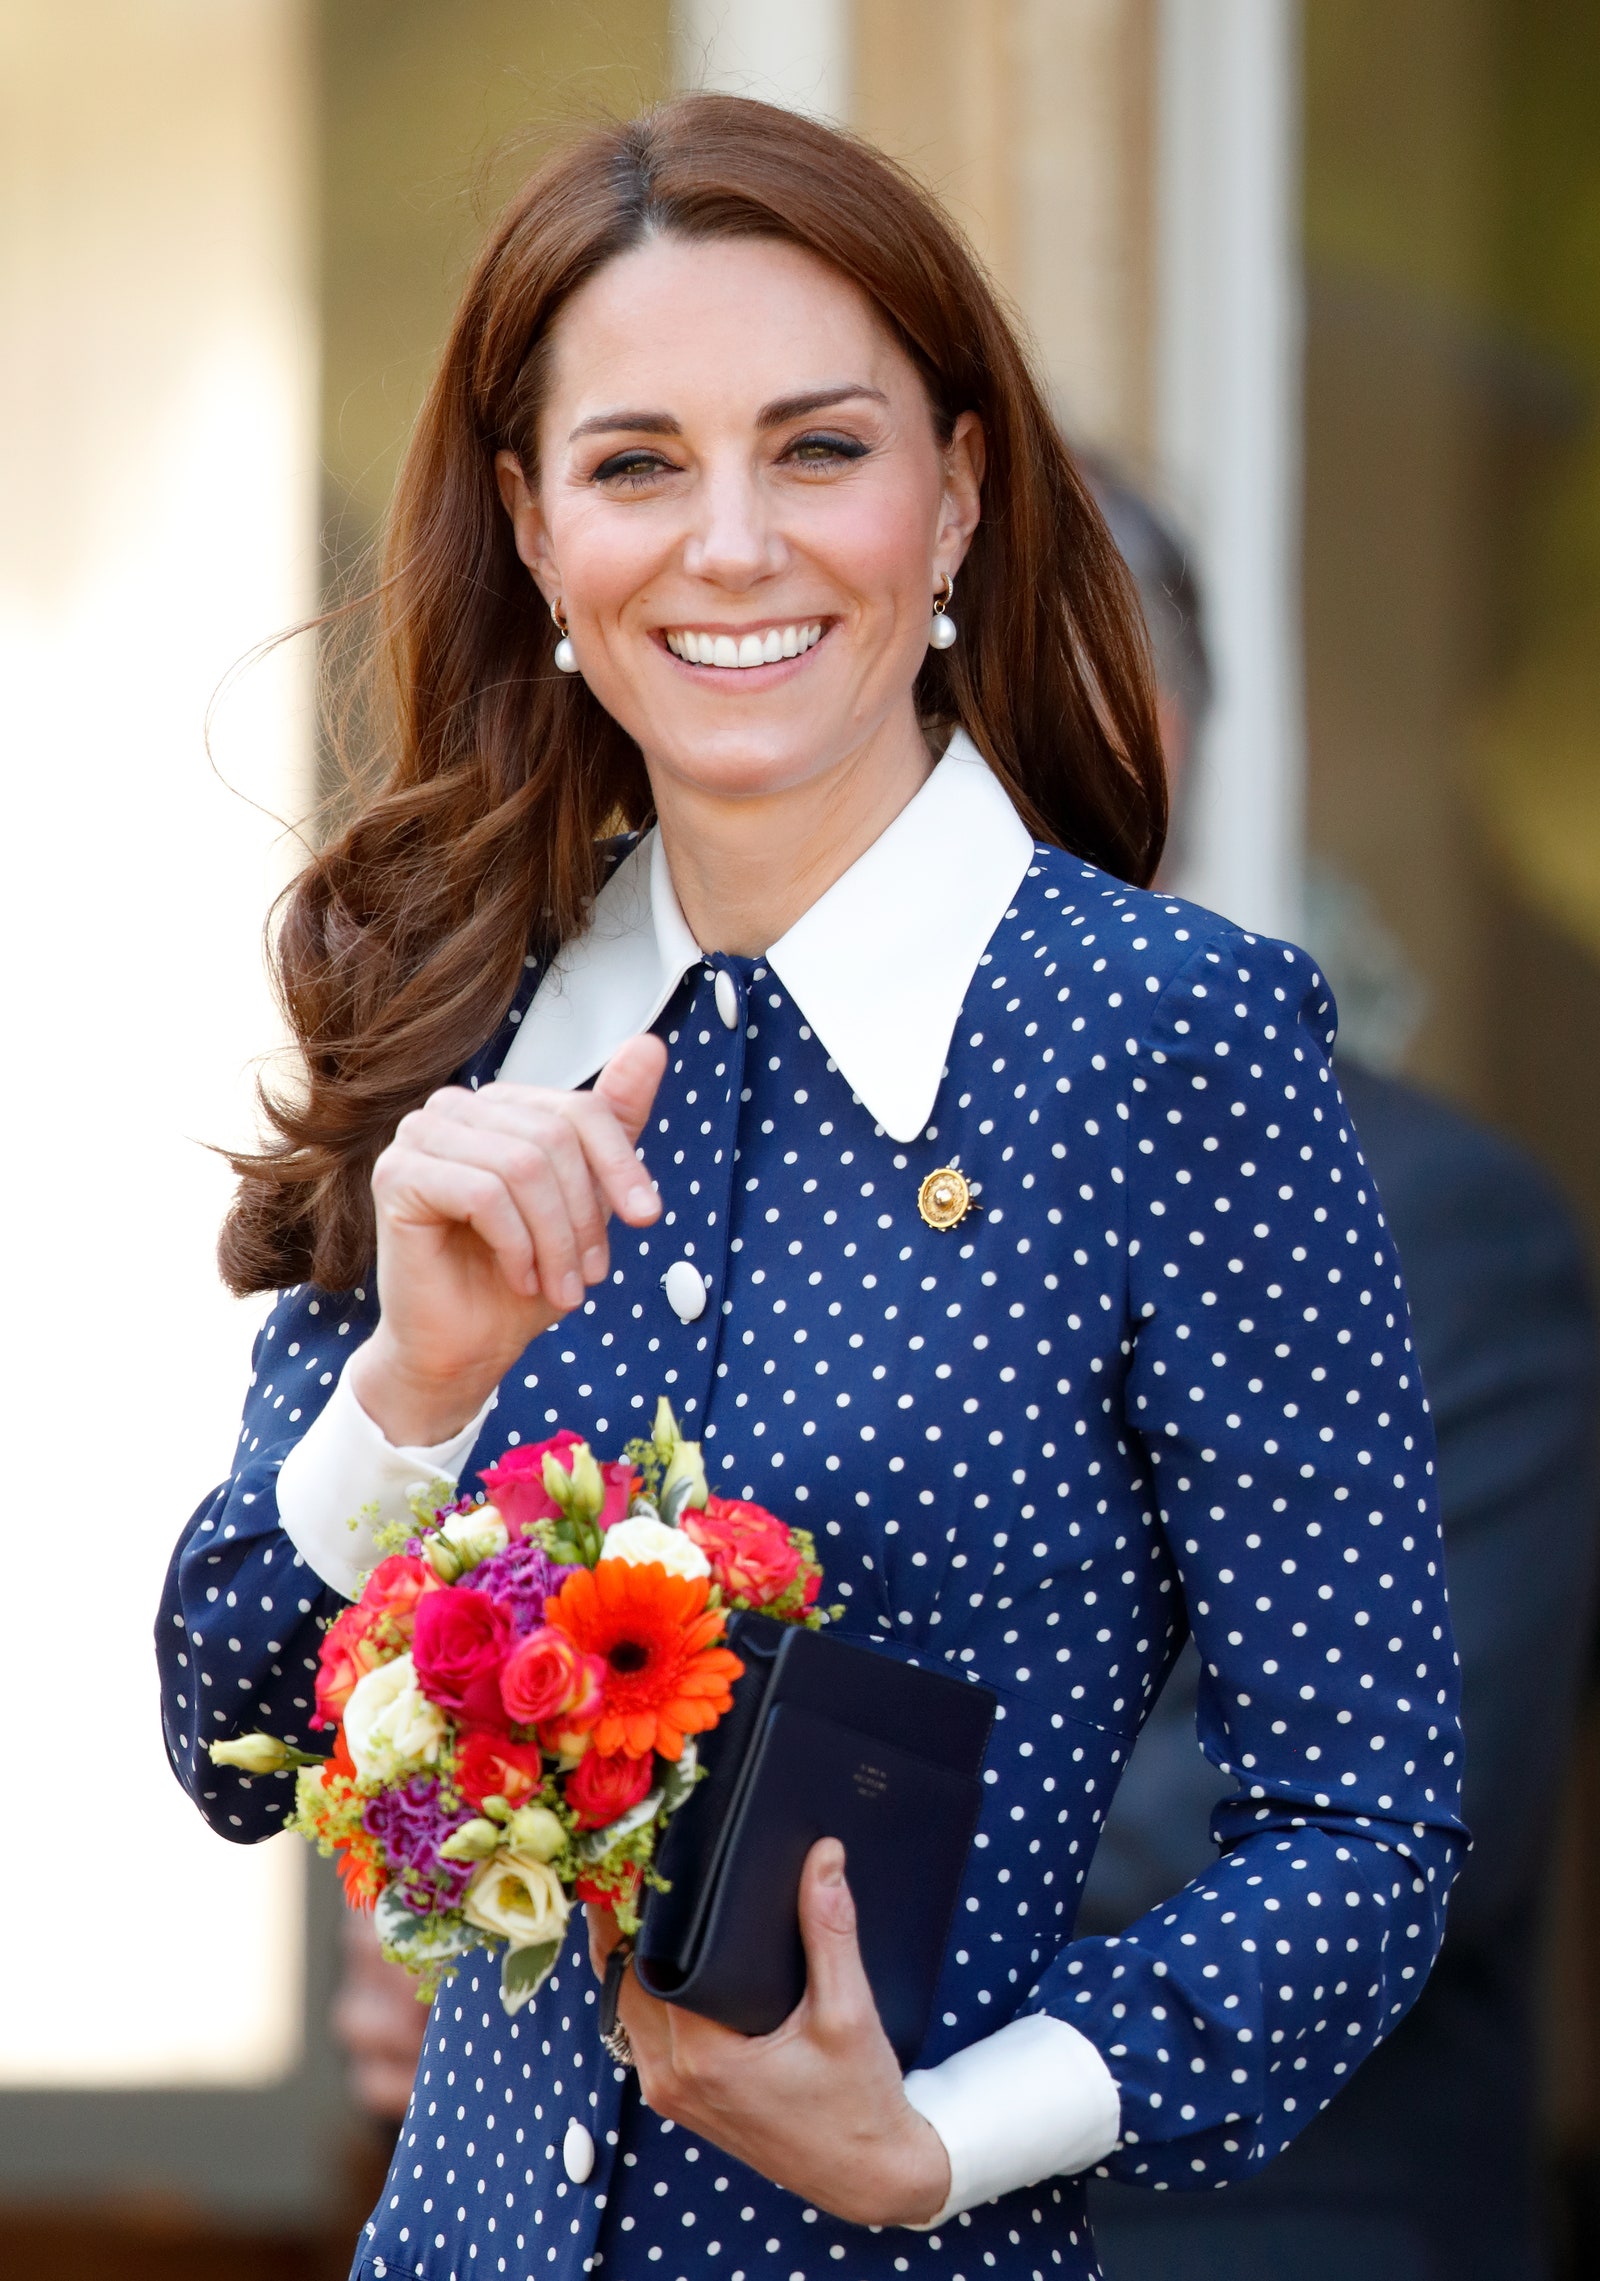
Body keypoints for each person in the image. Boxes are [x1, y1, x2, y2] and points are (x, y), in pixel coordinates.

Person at [157, 94, 1464, 2281]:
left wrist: (941, 2136)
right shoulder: (460, 1024)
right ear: (535, 525)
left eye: (819, 448)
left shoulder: (1164, 1042)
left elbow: (1361, 1826)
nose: (730, 544)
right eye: (637, 462)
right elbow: (231, 1733)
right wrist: (410, 1392)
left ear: (954, 493)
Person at [1080, 469, 1600, 2279]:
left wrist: (722, 1908)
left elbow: (1367, 1818)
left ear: (1141, 732)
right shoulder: (741, 1197)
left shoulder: (1435, 1226)